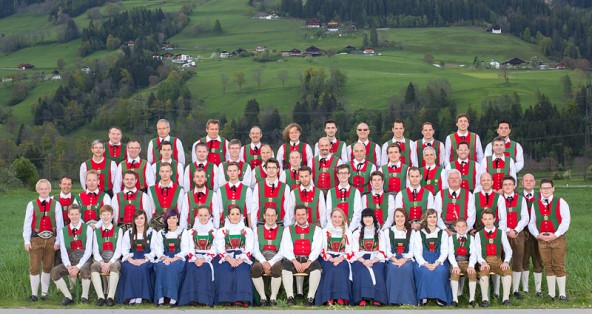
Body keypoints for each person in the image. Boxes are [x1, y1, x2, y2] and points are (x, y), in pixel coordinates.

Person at [528, 179, 570, 301]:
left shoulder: (560, 202)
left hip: (557, 239)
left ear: (553, 189)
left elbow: (565, 222)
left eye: (548, 188)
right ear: (540, 190)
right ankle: (551, 294)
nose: (546, 190)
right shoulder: (535, 204)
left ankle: (562, 294)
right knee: (547, 265)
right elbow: (531, 223)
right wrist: (537, 235)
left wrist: (555, 234)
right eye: (543, 188)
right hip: (542, 239)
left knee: (559, 265)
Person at [24, 179, 64, 302]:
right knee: (34, 267)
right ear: (37, 190)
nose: (44, 190)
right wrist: (26, 240)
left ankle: (44, 294)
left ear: (50, 190)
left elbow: (60, 224)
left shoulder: (56, 204)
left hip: (51, 240)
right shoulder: (32, 204)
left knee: (47, 267)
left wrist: (58, 241)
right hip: (36, 239)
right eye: (41, 188)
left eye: (46, 188)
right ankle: (34, 294)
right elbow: (27, 223)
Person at [280, 205, 323, 306]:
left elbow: (317, 248)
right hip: (294, 259)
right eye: (298, 214)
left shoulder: (316, 229)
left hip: (309, 259)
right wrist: (294, 261)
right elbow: (285, 248)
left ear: (307, 215)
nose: (301, 217)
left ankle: (310, 298)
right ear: (294, 216)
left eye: (303, 214)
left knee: (316, 267)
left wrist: (308, 262)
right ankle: (290, 297)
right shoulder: (288, 230)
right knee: (285, 266)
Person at [51, 204, 93, 305]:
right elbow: (64, 251)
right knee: (54, 272)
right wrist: (68, 266)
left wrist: (78, 267)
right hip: (70, 259)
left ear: (80, 215)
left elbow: (88, 251)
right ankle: (68, 296)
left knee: (84, 270)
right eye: (72, 214)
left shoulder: (88, 229)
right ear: (68, 215)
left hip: (85, 259)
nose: (74, 216)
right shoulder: (63, 231)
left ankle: (84, 296)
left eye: (76, 214)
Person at [214, 205, 254, 307]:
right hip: (227, 256)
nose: (235, 217)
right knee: (225, 270)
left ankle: (241, 298)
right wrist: (229, 259)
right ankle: (226, 298)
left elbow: (250, 248)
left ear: (241, 216)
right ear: (228, 216)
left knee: (242, 270)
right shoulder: (222, 231)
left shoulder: (247, 230)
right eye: (232, 214)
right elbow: (220, 248)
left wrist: (241, 259)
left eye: (237, 214)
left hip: (242, 256)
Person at [178, 205, 218, 306]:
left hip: (209, 258)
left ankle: (204, 299)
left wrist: (204, 259)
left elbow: (215, 248)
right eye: (200, 215)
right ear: (197, 216)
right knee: (191, 268)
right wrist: (195, 259)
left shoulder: (215, 232)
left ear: (209, 216)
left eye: (205, 215)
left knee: (205, 269)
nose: (203, 218)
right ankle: (191, 298)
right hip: (194, 257)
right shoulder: (190, 232)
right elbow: (189, 248)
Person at [412, 208, 451, 306]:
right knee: (424, 271)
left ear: (437, 219)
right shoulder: (419, 233)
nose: (432, 219)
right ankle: (423, 296)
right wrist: (425, 263)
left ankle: (440, 297)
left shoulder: (443, 233)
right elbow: (417, 252)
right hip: (424, 259)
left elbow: (444, 251)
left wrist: (437, 263)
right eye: (430, 217)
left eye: (434, 217)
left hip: (438, 259)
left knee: (440, 271)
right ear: (426, 219)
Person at [116, 210, 156, 305]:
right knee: (130, 268)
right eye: (137, 218)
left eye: (141, 218)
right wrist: (130, 260)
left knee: (142, 268)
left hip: (146, 258)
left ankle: (140, 296)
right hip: (132, 257)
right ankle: (131, 296)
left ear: (145, 219)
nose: (139, 220)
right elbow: (124, 249)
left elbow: (154, 250)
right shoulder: (129, 232)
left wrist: (145, 259)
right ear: (133, 220)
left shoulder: (151, 232)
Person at [499, 175, 529, 300]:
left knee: (518, 261)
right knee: (503, 261)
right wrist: (507, 230)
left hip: (518, 233)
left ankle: (515, 290)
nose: (507, 187)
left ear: (514, 186)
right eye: (505, 184)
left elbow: (525, 217)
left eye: (510, 184)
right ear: (502, 186)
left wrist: (515, 230)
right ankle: (503, 289)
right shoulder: (499, 199)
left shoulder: (521, 199)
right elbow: (498, 218)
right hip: (503, 233)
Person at [315, 208, 354, 305]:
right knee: (330, 269)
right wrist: (331, 259)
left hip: (343, 257)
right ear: (331, 218)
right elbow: (321, 248)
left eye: (340, 217)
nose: (337, 219)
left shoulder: (348, 232)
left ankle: (341, 297)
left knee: (341, 269)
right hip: (327, 257)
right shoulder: (324, 231)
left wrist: (340, 258)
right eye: (335, 216)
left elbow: (350, 249)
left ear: (343, 218)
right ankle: (328, 298)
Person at [474, 209, 513, 307]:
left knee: (507, 272)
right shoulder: (479, 234)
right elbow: (477, 252)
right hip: (485, 261)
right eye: (485, 219)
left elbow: (508, 250)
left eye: (490, 219)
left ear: (494, 219)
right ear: (482, 220)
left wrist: (506, 262)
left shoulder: (501, 233)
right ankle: (485, 299)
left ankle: (505, 298)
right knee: (483, 273)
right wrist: (482, 262)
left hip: (498, 261)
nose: (488, 221)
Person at [351, 208, 388, 306]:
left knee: (378, 269)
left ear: (373, 218)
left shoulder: (380, 233)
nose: (367, 219)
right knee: (360, 270)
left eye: (370, 217)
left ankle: (378, 298)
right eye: (365, 217)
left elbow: (383, 251)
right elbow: (354, 251)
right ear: (362, 219)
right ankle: (361, 298)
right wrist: (364, 261)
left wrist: (372, 261)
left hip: (376, 258)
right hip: (360, 258)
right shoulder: (357, 233)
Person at [153, 209, 188, 307]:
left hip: (178, 258)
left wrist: (173, 259)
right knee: (160, 267)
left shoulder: (183, 232)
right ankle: (160, 297)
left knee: (173, 268)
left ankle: (173, 297)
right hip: (165, 257)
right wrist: (164, 258)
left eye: (174, 218)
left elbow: (185, 250)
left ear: (177, 219)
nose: (171, 220)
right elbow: (158, 250)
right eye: (169, 218)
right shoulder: (161, 233)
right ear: (165, 220)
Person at [90, 205, 123, 306]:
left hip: (114, 259)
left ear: (112, 216)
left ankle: (110, 297)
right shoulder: (96, 232)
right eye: (103, 215)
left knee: (114, 267)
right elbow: (95, 250)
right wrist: (101, 262)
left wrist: (110, 262)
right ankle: (100, 296)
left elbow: (119, 250)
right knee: (93, 267)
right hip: (101, 259)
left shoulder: (118, 230)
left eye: (108, 214)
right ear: (100, 216)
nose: (106, 217)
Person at [251, 207, 284, 306]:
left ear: (277, 217)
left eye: (273, 215)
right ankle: (263, 298)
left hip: (276, 257)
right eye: (268, 215)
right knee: (255, 269)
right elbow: (254, 250)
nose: (270, 218)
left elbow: (283, 251)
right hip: (261, 257)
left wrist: (270, 263)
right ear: (264, 216)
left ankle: (273, 298)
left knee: (277, 269)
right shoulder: (256, 230)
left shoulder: (283, 230)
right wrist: (264, 262)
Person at [384, 208, 417, 305]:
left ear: (406, 218)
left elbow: (412, 250)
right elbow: (387, 250)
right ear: (394, 218)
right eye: (397, 216)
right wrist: (395, 260)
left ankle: (407, 300)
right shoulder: (388, 231)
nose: (400, 219)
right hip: (392, 258)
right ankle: (393, 300)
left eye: (402, 216)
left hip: (406, 258)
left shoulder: (411, 232)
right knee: (392, 269)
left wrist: (404, 260)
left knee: (407, 269)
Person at [251, 158, 292, 228]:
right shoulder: (258, 186)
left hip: (279, 225)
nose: (271, 170)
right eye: (269, 167)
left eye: (274, 167)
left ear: (278, 169)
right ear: (266, 169)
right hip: (261, 225)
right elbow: (254, 207)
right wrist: (254, 227)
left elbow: (287, 208)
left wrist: (287, 227)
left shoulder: (285, 187)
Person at [434, 169, 476, 236]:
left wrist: (463, 231)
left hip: (463, 228)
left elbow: (472, 215)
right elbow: (436, 215)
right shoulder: (440, 194)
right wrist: (446, 230)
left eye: (456, 178)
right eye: (451, 178)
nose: (454, 180)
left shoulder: (468, 194)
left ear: (460, 180)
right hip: (445, 228)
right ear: (447, 181)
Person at [521, 173, 543, 295]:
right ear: (522, 183)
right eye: (526, 180)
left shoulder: (541, 197)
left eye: (531, 180)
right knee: (523, 261)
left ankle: (538, 289)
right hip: (523, 233)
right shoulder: (517, 197)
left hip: (537, 234)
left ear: (534, 183)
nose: (528, 182)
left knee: (537, 260)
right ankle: (525, 288)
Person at [447, 218, 477, 307]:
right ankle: (455, 299)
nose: (461, 228)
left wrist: (471, 265)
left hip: (467, 262)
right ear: (455, 228)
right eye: (458, 226)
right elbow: (451, 254)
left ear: (467, 227)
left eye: (463, 226)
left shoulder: (471, 238)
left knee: (472, 273)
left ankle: (472, 299)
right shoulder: (451, 238)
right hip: (456, 262)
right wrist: (455, 266)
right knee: (454, 273)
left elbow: (473, 253)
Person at [148, 162, 186, 230]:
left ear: (171, 173)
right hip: (156, 224)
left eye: (167, 171)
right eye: (162, 171)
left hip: (173, 225)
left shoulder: (179, 190)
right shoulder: (152, 189)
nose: (164, 174)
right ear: (159, 173)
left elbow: (180, 210)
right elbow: (151, 209)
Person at [326, 164, 362, 231]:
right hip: (334, 228)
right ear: (337, 175)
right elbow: (328, 212)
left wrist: (350, 229)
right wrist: (333, 227)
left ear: (349, 175)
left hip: (351, 228)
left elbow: (358, 213)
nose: (343, 175)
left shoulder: (356, 192)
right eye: (341, 173)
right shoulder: (330, 192)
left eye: (345, 173)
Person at [217, 162, 253, 228]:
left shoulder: (247, 189)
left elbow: (249, 211)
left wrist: (250, 227)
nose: (232, 173)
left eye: (234, 170)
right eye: (230, 171)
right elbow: (220, 211)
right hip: (225, 225)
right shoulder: (220, 190)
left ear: (239, 172)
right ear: (227, 172)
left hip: (242, 225)